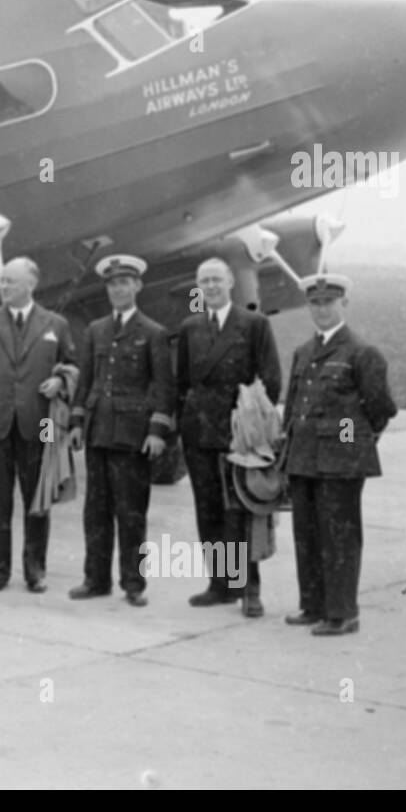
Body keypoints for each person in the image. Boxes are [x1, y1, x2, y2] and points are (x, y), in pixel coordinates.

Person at [282, 273, 396, 636]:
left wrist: (349, 442)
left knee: (339, 537)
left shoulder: (362, 353)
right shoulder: (303, 352)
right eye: (314, 303)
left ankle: (343, 613)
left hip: (341, 464)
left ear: (342, 304)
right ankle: (313, 605)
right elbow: (293, 410)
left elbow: (379, 409)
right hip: (303, 459)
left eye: (328, 303)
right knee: (307, 535)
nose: (321, 309)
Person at [0, 257, 77, 592]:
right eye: (4, 280)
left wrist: (60, 383)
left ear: (31, 284)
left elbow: (72, 367)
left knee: (36, 501)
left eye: (11, 281)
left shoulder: (56, 324)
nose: (5, 286)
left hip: (39, 425)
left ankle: (35, 570)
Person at [176, 257, 282, 616]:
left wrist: (250, 420)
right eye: (204, 281)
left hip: (238, 435)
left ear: (231, 282)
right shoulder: (190, 327)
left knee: (240, 512)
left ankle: (249, 589)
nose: (211, 287)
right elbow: (181, 383)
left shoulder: (254, 324)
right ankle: (219, 584)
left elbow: (271, 379)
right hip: (199, 433)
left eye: (217, 280)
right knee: (207, 511)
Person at [68, 255, 173, 606]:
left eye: (125, 283)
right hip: (98, 432)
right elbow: (86, 380)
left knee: (131, 514)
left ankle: (133, 583)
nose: (118, 289)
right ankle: (95, 579)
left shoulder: (154, 333)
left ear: (138, 286)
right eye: (113, 284)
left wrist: (157, 431)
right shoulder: (96, 330)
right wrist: (77, 422)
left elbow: (162, 387)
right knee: (95, 512)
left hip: (132, 436)